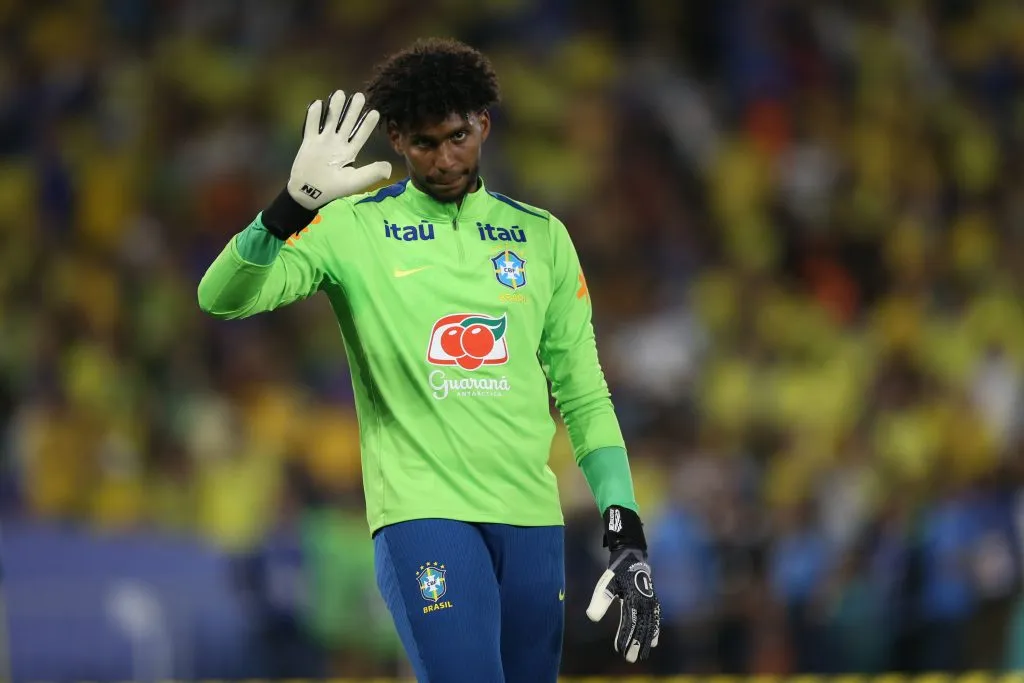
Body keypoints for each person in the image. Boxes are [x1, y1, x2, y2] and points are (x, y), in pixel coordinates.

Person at [197, 37, 660, 682]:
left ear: (485, 125)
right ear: (395, 140)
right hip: (423, 515)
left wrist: (623, 524)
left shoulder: (542, 237)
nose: (445, 159)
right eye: (424, 143)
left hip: (530, 518)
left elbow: (583, 395)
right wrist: (291, 206)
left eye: (457, 137)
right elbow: (220, 298)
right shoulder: (351, 228)